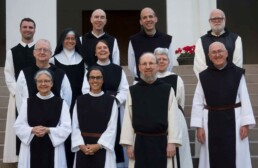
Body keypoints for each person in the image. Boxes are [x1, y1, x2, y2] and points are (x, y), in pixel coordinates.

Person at [190, 42, 255, 168]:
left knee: (236, 158)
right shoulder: (203, 76)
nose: (217, 54)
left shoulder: (237, 74)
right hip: (210, 123)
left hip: (235, 122)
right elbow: (198, 102)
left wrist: (245, 123)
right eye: (213, 52)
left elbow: (245, 98)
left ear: (226, 54)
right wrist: (199, 127)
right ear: (209, 56)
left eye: (220, 51)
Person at [120, 52, 182, 168]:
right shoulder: (133, 91)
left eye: (151, 63)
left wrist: (172, 142)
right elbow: (128, 118)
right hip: (139, 142)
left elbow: (173, 117)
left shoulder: (167, 89)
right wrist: (128, 145)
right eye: (144, 64)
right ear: (139, 68)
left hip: (162, 142)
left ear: (157, 66)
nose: (148, 66)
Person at [81, 40, 129, 167]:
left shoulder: (118, 70)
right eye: (99, 48)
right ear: (95, 53)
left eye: (105, 48)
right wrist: (98, 101)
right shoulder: (90, 69)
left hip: (115, 108)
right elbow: (85, 89)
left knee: (115, 137)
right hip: (94, 109)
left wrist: (114, 102)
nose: (102, 50)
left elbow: (124, 90)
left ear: (109, 51)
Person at [14, 69, 71, 168]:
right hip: (31, 145)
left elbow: (67, 127)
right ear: (36, 84)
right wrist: (32, 130)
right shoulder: (27, 103)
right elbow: (18, 126)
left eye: (46, 81)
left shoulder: (61, 103)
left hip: (53, 146)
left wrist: (49, 130)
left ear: (52, 83)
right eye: (40, 81)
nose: (43, 84)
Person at [49, 28, 86, 168]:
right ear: (62, 40)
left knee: (76, 133)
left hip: (79, 104)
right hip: (60, 104)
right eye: (67, 38)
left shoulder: (83, 60)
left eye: (73, 38)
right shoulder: (53, 60)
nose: (70, 41)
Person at [3, 17, 36, 162]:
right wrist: (17, 93)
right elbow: (8, 73)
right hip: (18, 96)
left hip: (37, 95)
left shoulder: (40, 49)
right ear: (20, 29)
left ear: (34, 29)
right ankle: (19, 159)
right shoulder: (12, 52)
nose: (28, 30)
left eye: (30, 27)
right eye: (25, 27)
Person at [72, 66, 118, 168]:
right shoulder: (80, 100)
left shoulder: (111, 101)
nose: (95, 80)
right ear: (88, 80)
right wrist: (81, 145)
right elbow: (74, 126)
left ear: (103, 80)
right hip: (83, 148)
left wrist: (98, 145)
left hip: (102, 148)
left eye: (98, 77)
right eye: (92, 77)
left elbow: (112, 127)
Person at [154, 47, 193, 168]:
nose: (161, 61)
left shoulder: (176, 79)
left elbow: (181, 101)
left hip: (176, 118)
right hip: (155, 121)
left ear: (169, 61)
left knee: (179, 154)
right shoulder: (150, 79)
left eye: (164, 59)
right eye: (158, 59)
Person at [16, 39, 72, 113]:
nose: (42, 52)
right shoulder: (24, 73)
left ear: (50, 54)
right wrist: (24, 118)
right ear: (34, 53)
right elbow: (19, 97)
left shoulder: (60, 74)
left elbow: (67, 97)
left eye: (45, 50)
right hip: (31, 118)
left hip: (55, 118)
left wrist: (62, 116)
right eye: (39, 49)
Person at [128, 7, 175, 83]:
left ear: (156, 19)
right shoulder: (134, 40)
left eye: (150, 16)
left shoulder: (166, 39)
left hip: (162, 82)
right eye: (145, 17)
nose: (148, 20)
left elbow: (170, 63)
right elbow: (131, 66)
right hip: (141, 82)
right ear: (141, 21)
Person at [193, 9, 243, 78]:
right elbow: (199, 64)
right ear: (209, 21)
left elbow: (237, 63)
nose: (217, 21)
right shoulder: (201, 40)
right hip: (208, 82)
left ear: (224, 20)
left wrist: (230, 80)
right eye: (214, 19)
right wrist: (208, 80)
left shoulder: (236, 39)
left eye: (219, 18)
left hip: (230, 81)